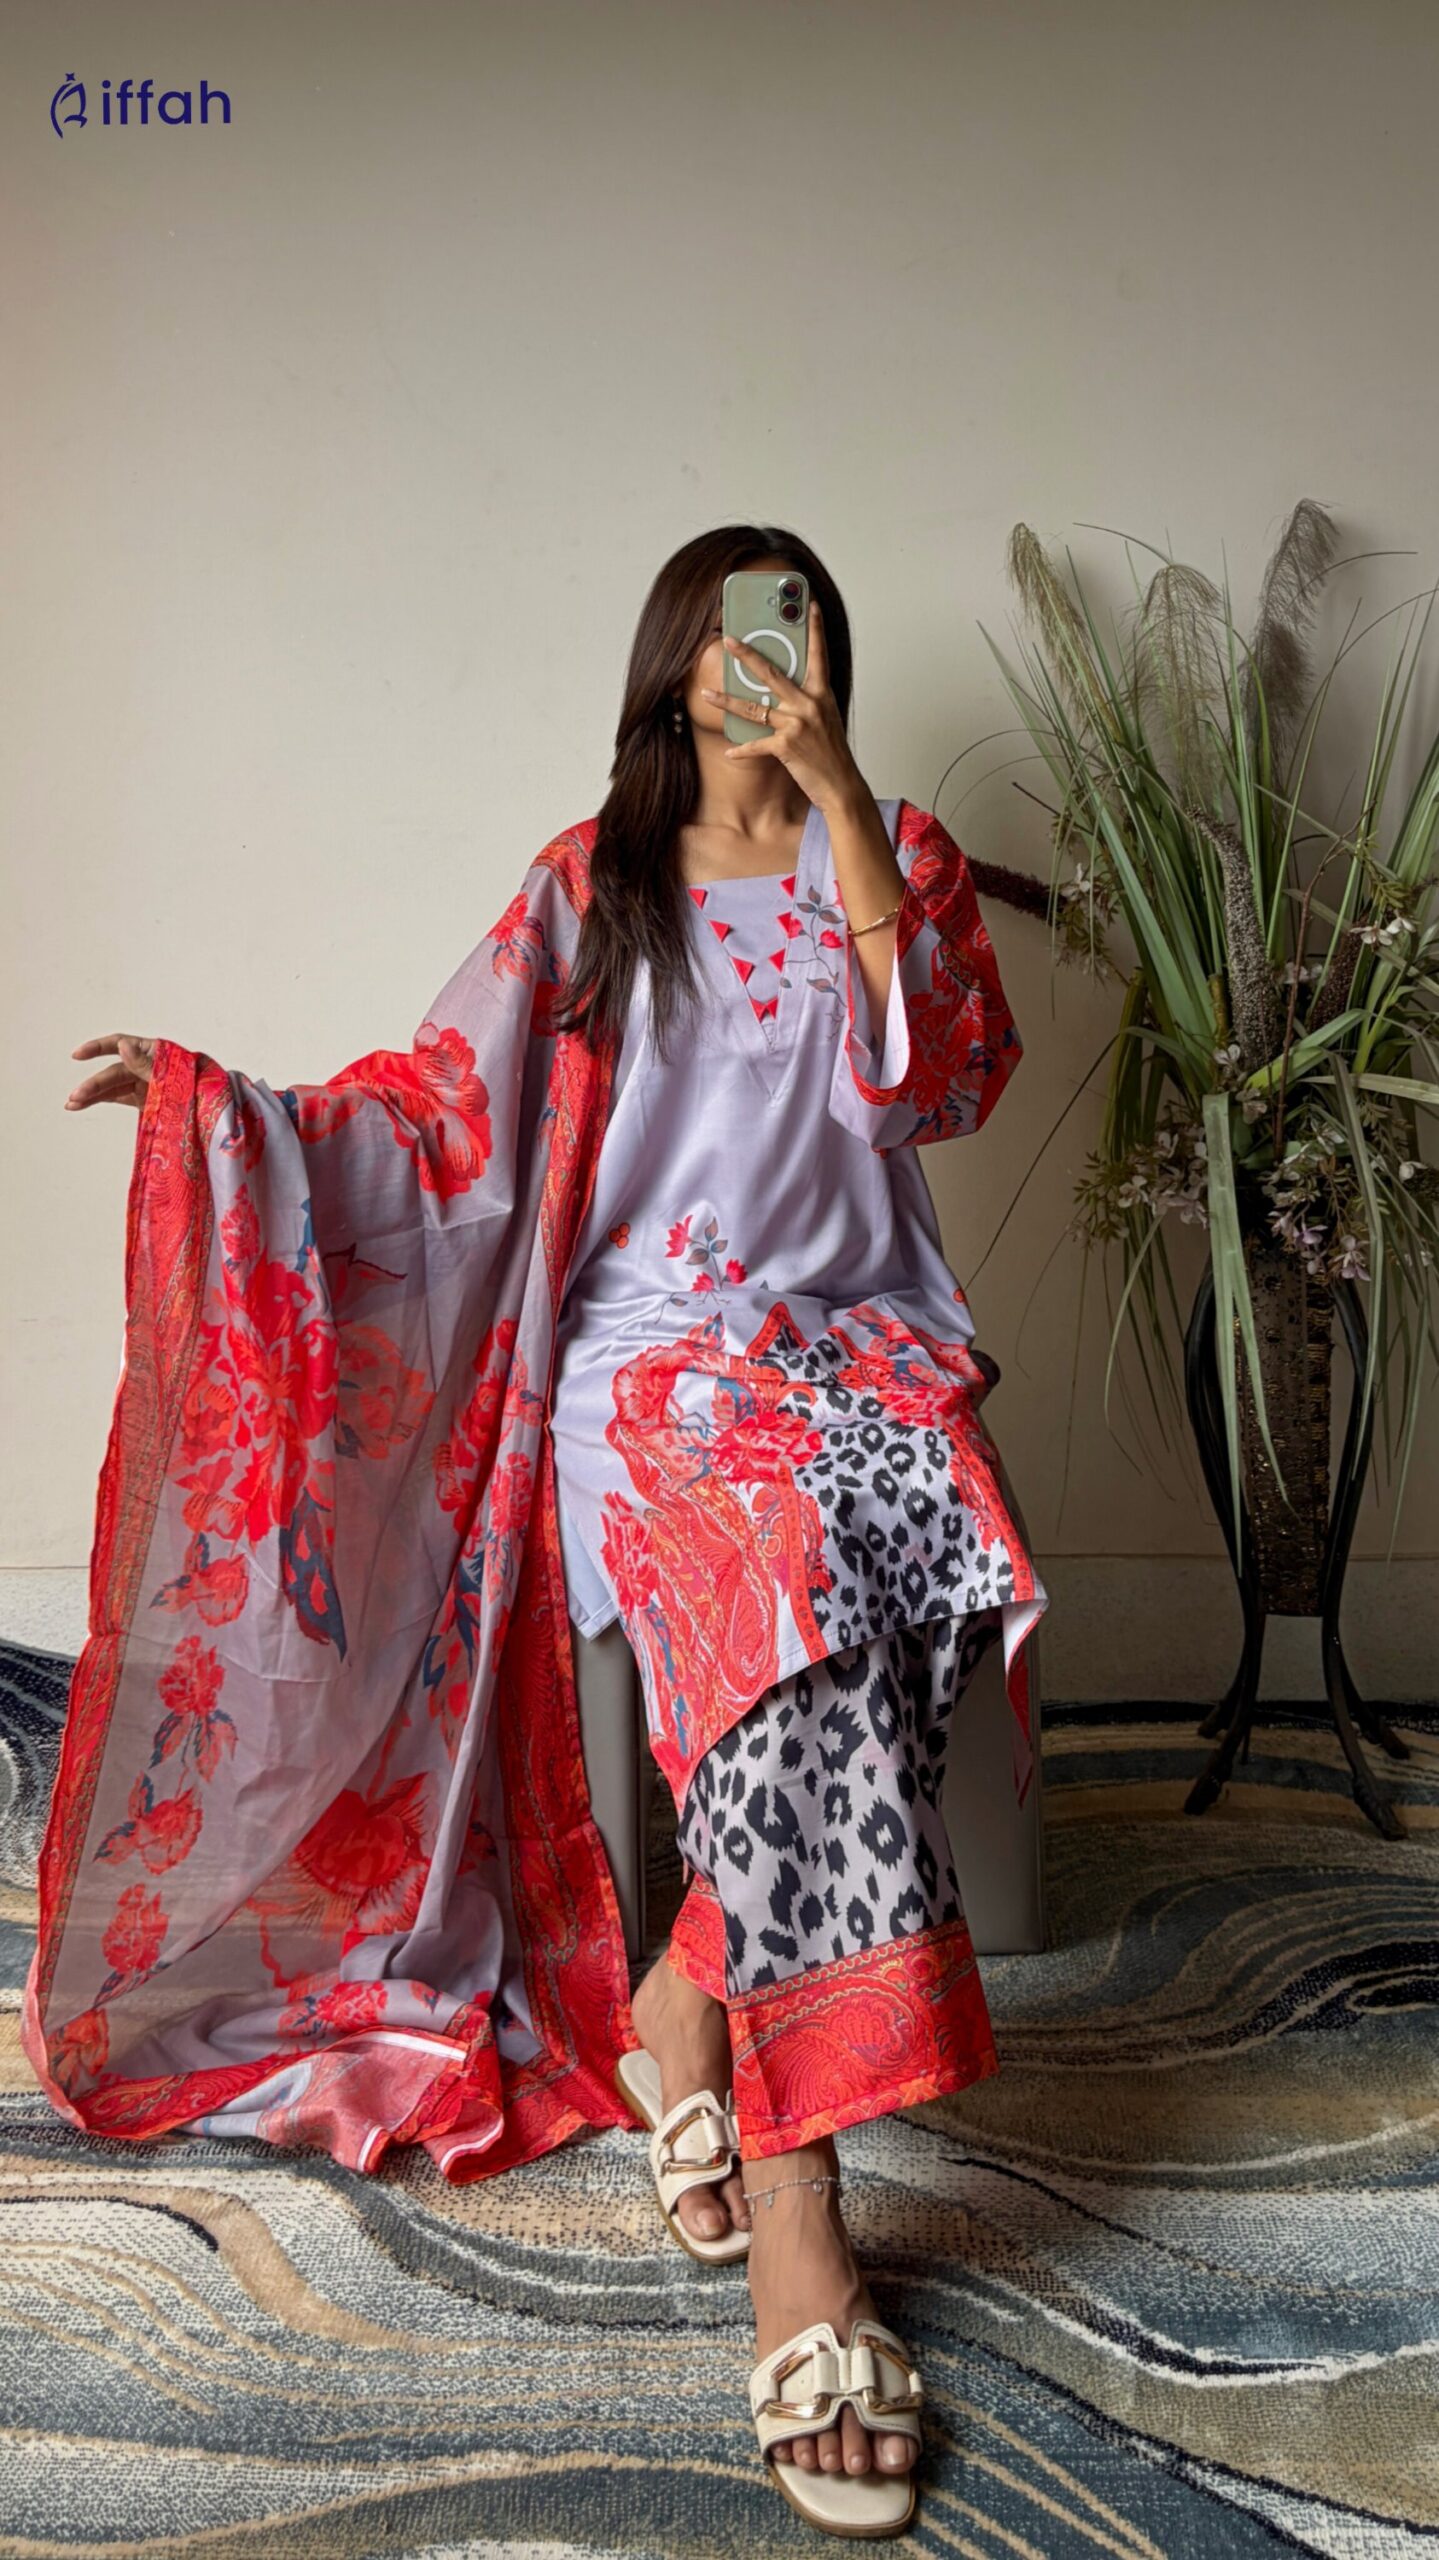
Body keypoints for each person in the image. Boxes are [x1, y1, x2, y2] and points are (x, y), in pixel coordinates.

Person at [35, 523, 1046, 2540]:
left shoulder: (901, 856)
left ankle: (687, 1997)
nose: (774, 649)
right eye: (739, 621)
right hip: (653, 1369)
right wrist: (223, 1112)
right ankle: (801, 2207)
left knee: (934, 1572)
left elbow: (940, 1078)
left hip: (862, 1346)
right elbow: (438, 1121)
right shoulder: (592, 890)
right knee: (783, 1590)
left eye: (804, 617)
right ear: (675, 660)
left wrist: (847, 800)